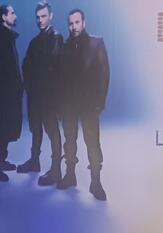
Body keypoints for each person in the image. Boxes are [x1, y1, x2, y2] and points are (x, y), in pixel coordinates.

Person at [58, 8, 109, 200]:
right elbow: (61, 78)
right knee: (69, 141)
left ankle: (96, 182)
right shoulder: (64, 46)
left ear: (84, 22)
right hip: (69, 104)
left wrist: (99, 102)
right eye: (70, 23)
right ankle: (70, 175)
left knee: (93, 143)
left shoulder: (96, 43)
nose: (73, 27)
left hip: (89, 105)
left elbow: (104, 74)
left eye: (77, 22)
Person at [17, 1, 63, 185]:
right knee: (35, 129)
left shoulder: (56, 37)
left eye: (43, 16)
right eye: (38, 17)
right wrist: (30, 87)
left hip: (49, 96)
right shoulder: (35, 41)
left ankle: (56, 170)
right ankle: (34, 161)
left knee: (52, 130)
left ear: (50, 16)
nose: (40, 20)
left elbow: (54, 67)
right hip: (35, 95)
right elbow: (26, 65)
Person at [0, 4, 23, 183]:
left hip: (10, 92)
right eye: (12, 13)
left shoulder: (8, 37)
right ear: (3, 17)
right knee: (2, 127)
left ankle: (1, 160)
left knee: (6, 127)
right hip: (3, 93)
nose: (15, 16)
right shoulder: (2, 38)